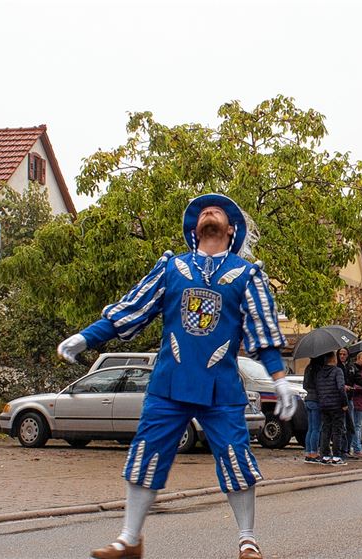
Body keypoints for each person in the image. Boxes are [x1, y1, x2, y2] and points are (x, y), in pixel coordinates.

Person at [56, 193, 294, 559]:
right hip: (169, 382)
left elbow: (262, 332)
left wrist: (279, 379)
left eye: (219, 211)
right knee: (146, 452)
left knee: (235, 456)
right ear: (194, 228)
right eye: (202, 210)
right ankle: (129, 539)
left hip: (221, 385)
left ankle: (247, 538)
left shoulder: (247, 275)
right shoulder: (172, 268)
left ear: (232, 230)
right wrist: (86, 336)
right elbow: (131, 311)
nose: (209, 212)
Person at [312, 351, 348, 465]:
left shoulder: (319, 372)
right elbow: (341, 387)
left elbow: (318, 388)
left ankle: (325, 455)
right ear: (333, 359)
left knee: (325, 430)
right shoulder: (338, 371)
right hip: (337, 405)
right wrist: (344, 403)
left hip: (324, 404)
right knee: (337, 430)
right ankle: (336, 456)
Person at [302, 360, 324, 463]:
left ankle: (308, 452)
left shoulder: (308, 368)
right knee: (316, 429)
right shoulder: (319, 369)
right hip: (316, 400)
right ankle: (314, 453)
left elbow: (304, 385)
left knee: (310, 428)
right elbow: (321, 385)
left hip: (308, 399)